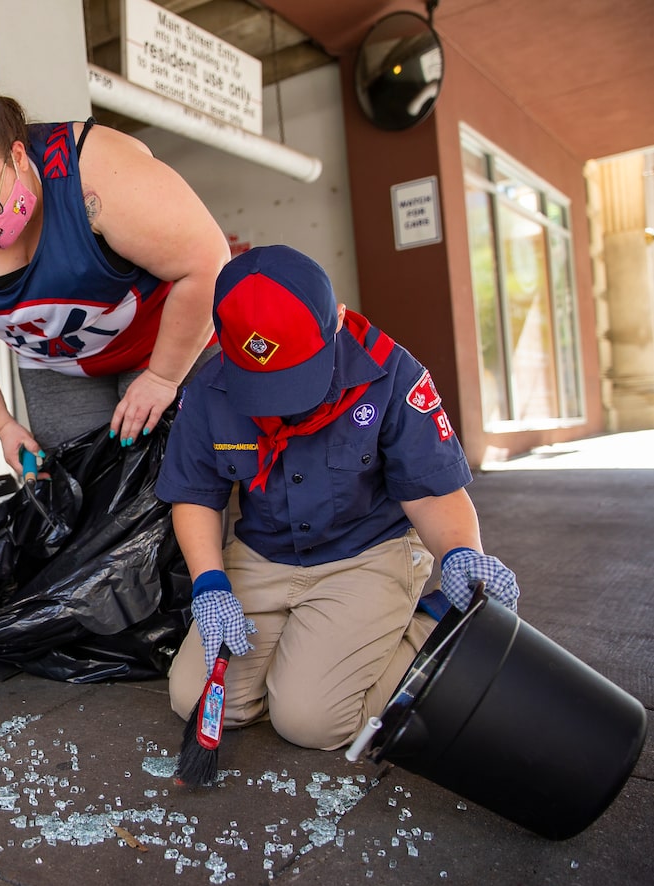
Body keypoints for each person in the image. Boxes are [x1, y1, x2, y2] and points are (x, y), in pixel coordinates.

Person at [155, 244, 520, 751]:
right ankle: (313, 652)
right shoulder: (211, 387)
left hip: (363, 555)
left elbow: (433, 490)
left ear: (337, 320)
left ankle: (424, 630)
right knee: (198, 699)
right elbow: (196, 495)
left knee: (310, 721)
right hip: (264, 557)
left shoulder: (393, 375)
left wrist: (461, 555)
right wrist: (210, 584)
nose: (281, 406)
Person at [0, 73, 231, 471]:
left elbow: (207, 263)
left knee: (183, 473)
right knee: (84, 490)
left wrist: (163, 378)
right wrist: (3, 425)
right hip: (59, 366)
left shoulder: (97, 173)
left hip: (162, 341)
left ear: (19, 156)